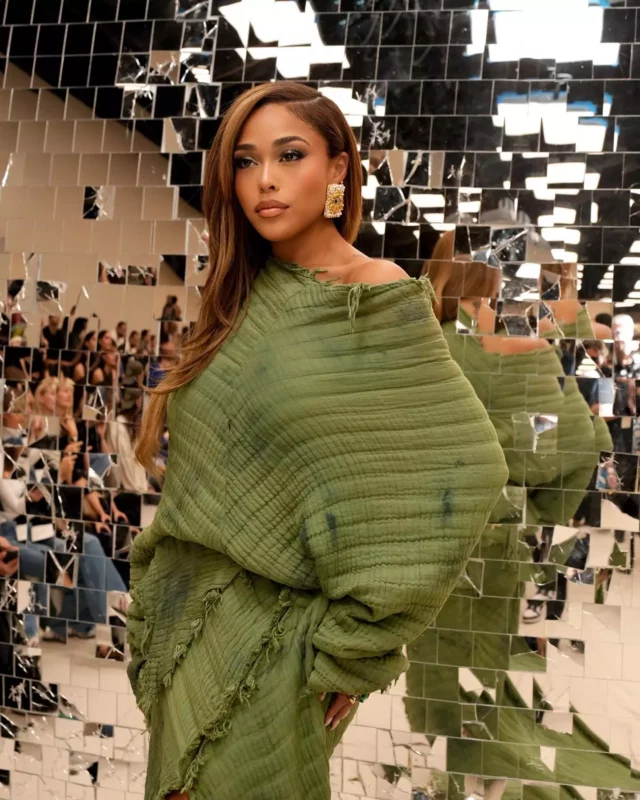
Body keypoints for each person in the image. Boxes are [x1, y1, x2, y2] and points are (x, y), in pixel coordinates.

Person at [126, 82, 508, 800]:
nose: (264, 180)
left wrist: (360, 643)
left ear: (338, 169)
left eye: (289, 155)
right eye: (246, 161)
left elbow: (468, 469)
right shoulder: (241, 293)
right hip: (186, 620)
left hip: (274, 644)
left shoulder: (375, 292)